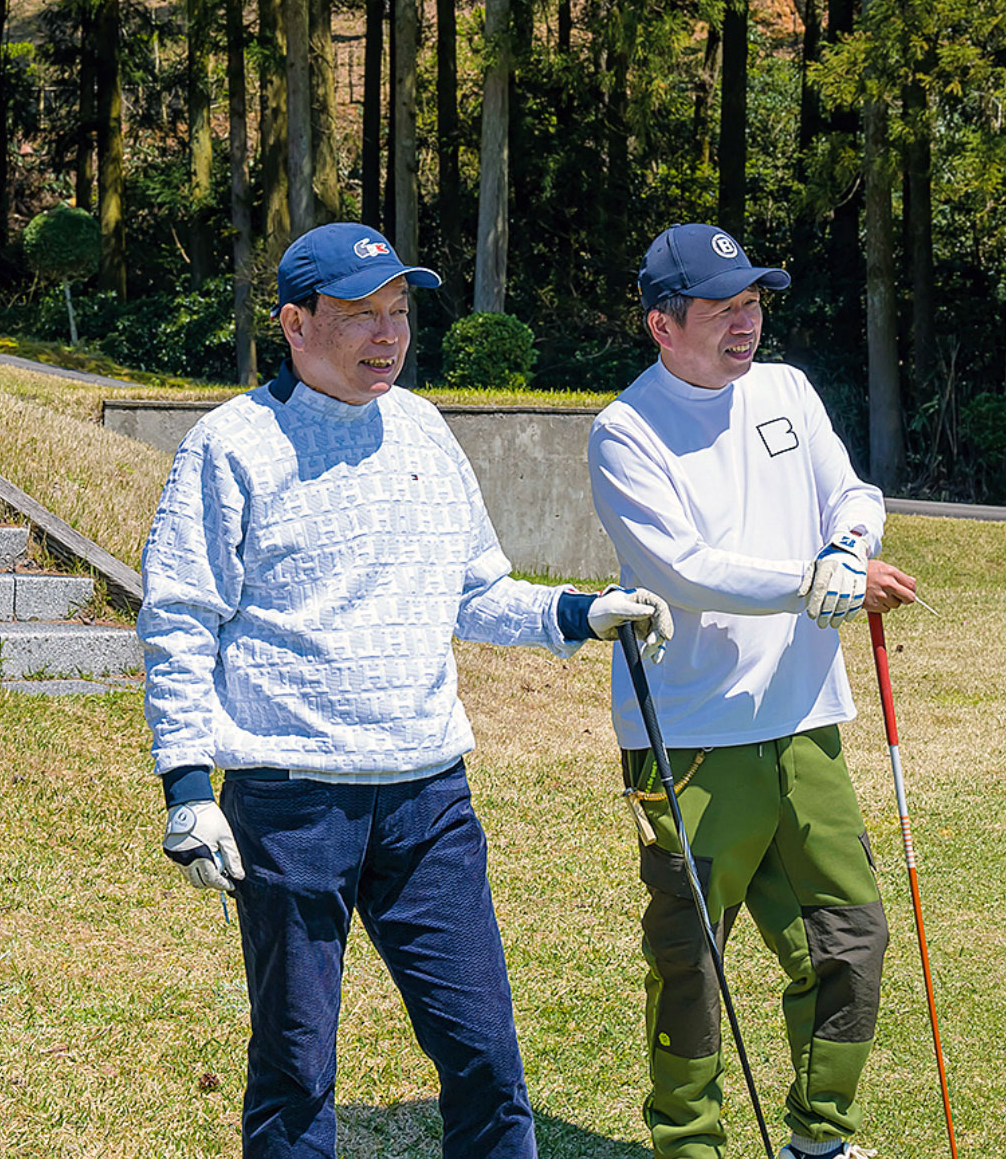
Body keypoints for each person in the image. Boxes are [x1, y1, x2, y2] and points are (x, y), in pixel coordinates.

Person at [137, 222, 676, 1159]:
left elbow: (475, 590)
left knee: (484, 1056)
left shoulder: (423, 426)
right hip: (291, 799)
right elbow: (180, 618)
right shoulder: (229, 445)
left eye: (398, 312)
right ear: (295, 324)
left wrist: (582, 612)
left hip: (430, 797)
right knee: (296, 1067)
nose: (388, 336)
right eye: (359, 315)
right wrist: (187, 787)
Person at [587, 224, 920, 1159]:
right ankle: (688, 1142)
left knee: (849, 939)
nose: (747, 323)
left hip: (808, 719)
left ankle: (820, 1137)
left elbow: (850, 495)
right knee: (693, 958)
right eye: (723, 308)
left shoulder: (786, 390)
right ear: (662, 323)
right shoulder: (626, 429)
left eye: (754, 302)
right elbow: (683, 569)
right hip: (694, 732)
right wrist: (812, 580)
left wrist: (848, 550)